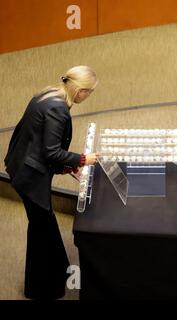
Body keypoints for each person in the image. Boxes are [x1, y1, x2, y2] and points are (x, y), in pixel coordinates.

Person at [4, 65, 99, 299]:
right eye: (89, 92)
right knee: (40, 229)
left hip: (20, 166)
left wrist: (66, 167)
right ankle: (40, 289)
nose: (88, 96)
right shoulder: (58, 109)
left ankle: (59, 271)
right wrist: (83, 159)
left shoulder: (47, 94)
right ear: (79, 91)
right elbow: (51, 152)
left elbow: (36, 140)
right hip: (29, 177)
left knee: (44, 224)